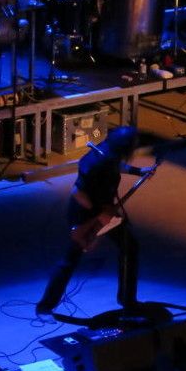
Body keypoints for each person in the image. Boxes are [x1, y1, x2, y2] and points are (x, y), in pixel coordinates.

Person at [36, 126, 154, 316]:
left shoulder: (108, 151)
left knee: (129, 246)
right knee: (71, 258)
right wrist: (100, 213)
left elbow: (115, 165)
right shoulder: (97, 161)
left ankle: (127, 299)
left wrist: (137, 172)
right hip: (86, 215)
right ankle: (45, 305)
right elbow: (79, 193)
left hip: (103, 210)